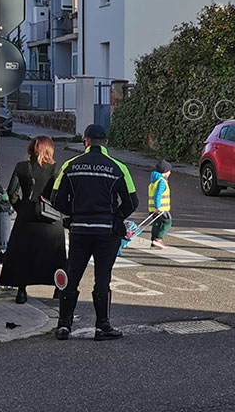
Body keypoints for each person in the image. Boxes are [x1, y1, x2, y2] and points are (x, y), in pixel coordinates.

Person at [52, 125, 138, 340]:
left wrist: (74, 214)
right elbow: (132, 202)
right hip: (106, 232)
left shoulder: (70, 165)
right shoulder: (118, 167)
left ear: (86, 142)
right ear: (106, 143)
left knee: (72, 277)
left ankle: (64, 325)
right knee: (102, 278)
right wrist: (115, 216)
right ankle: (102, 326)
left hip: (79, 230)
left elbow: (56, 199)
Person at [0, 136, 66, 304]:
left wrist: (21, 208)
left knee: (23, 254)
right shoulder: (56, 169)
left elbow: (11, 192)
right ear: (50, 150)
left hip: (27, 217)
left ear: (31, 149)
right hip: (51, 219)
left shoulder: (22, 167)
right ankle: (58, 289)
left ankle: (21, 291)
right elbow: (62, 195)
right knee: (54, 254)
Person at [149, 161, 172, 249]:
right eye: (169, 171)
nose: (170, 173)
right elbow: (158, 195)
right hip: (161, 208)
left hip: (152, 208)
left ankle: (153, 241)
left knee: (157, 224)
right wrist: (158, 207)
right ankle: (158, 239)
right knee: (167, 222)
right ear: (166, 171)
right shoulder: (162, 181)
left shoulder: (154, 181)